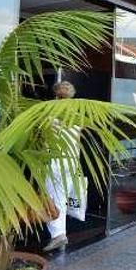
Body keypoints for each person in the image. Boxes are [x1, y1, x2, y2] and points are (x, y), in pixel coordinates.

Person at [43, 81, 82, 252]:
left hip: (56, 162)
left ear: (56, 95)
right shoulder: (76, 115)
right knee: (61, 197)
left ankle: (58, 235)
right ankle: (61, 233)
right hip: (71, 161)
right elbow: (78, 140)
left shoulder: (51, 115)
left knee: (52, 197)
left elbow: (44, 141)